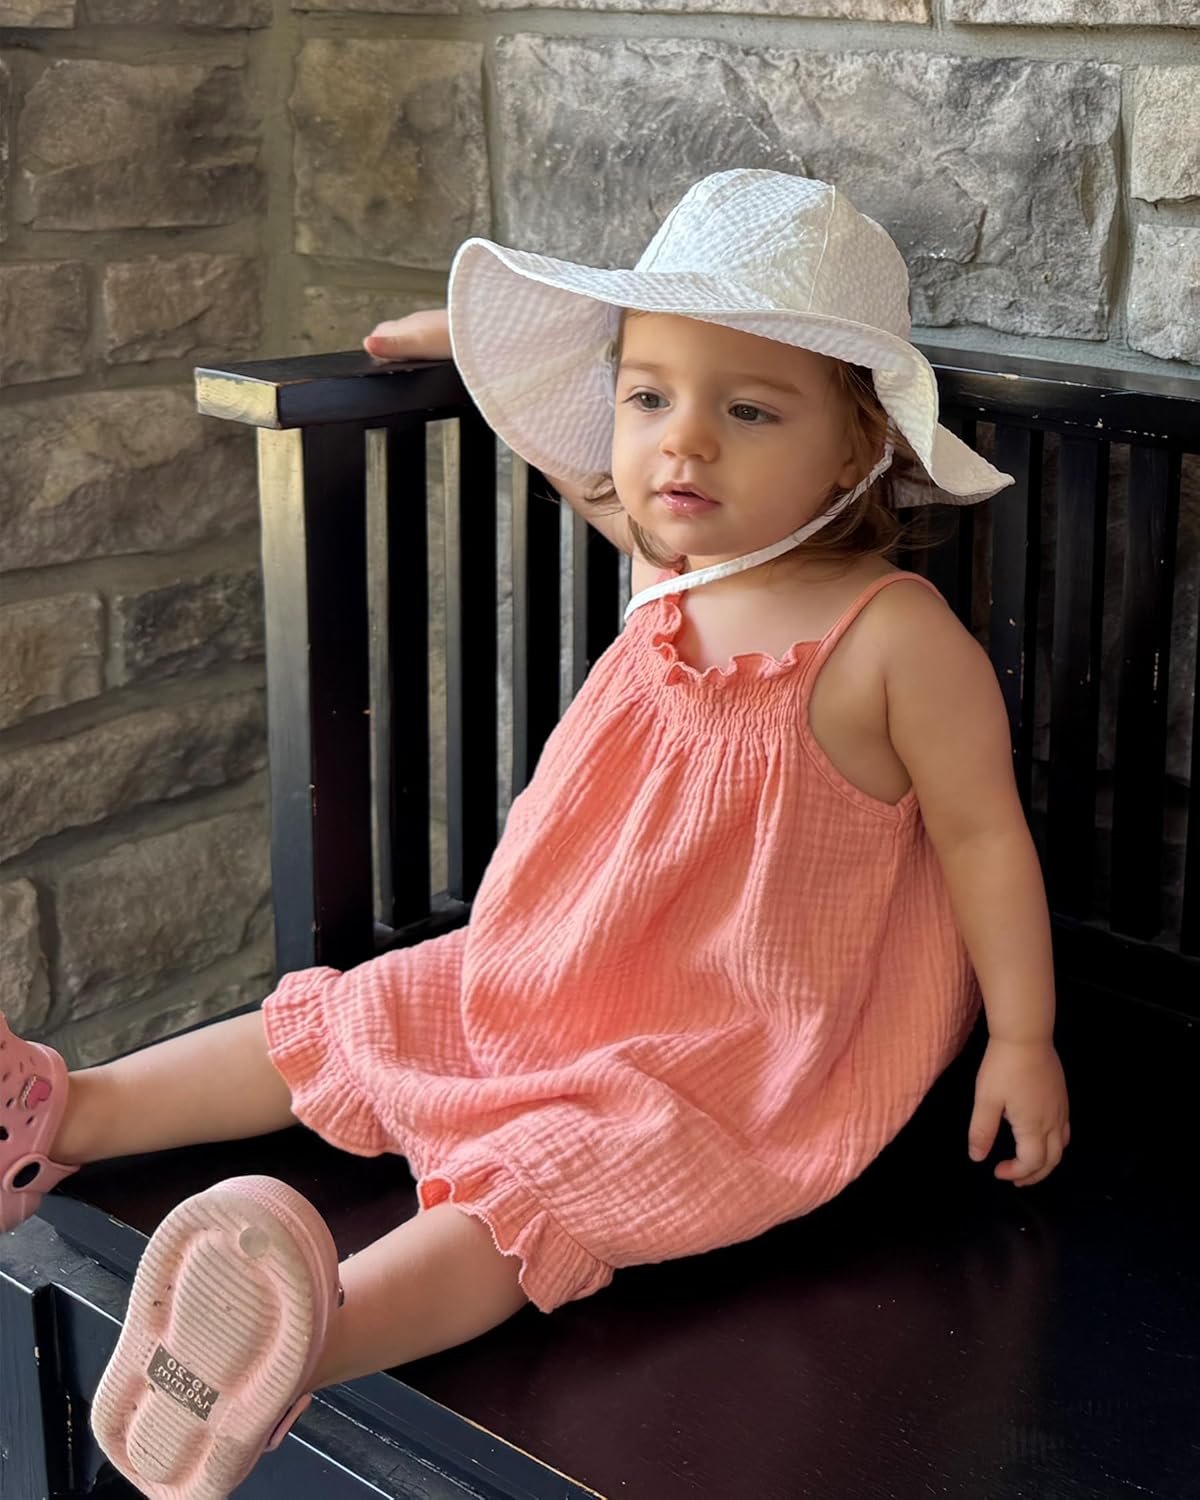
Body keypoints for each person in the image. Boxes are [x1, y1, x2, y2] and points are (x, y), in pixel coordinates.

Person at [0, 169, 1070, 1500]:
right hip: (560, 966)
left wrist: (1023, 1040)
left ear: (856, 450)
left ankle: (304, 1335)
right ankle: (63, 1111)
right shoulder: (676, 564)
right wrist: (472, 350)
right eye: (649, 399)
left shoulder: (893, 638)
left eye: (748, 411)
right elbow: (572, 451)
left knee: (546, 1182)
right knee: (370, 1008)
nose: (684, 447)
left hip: (734, 1049)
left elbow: (983, 842)